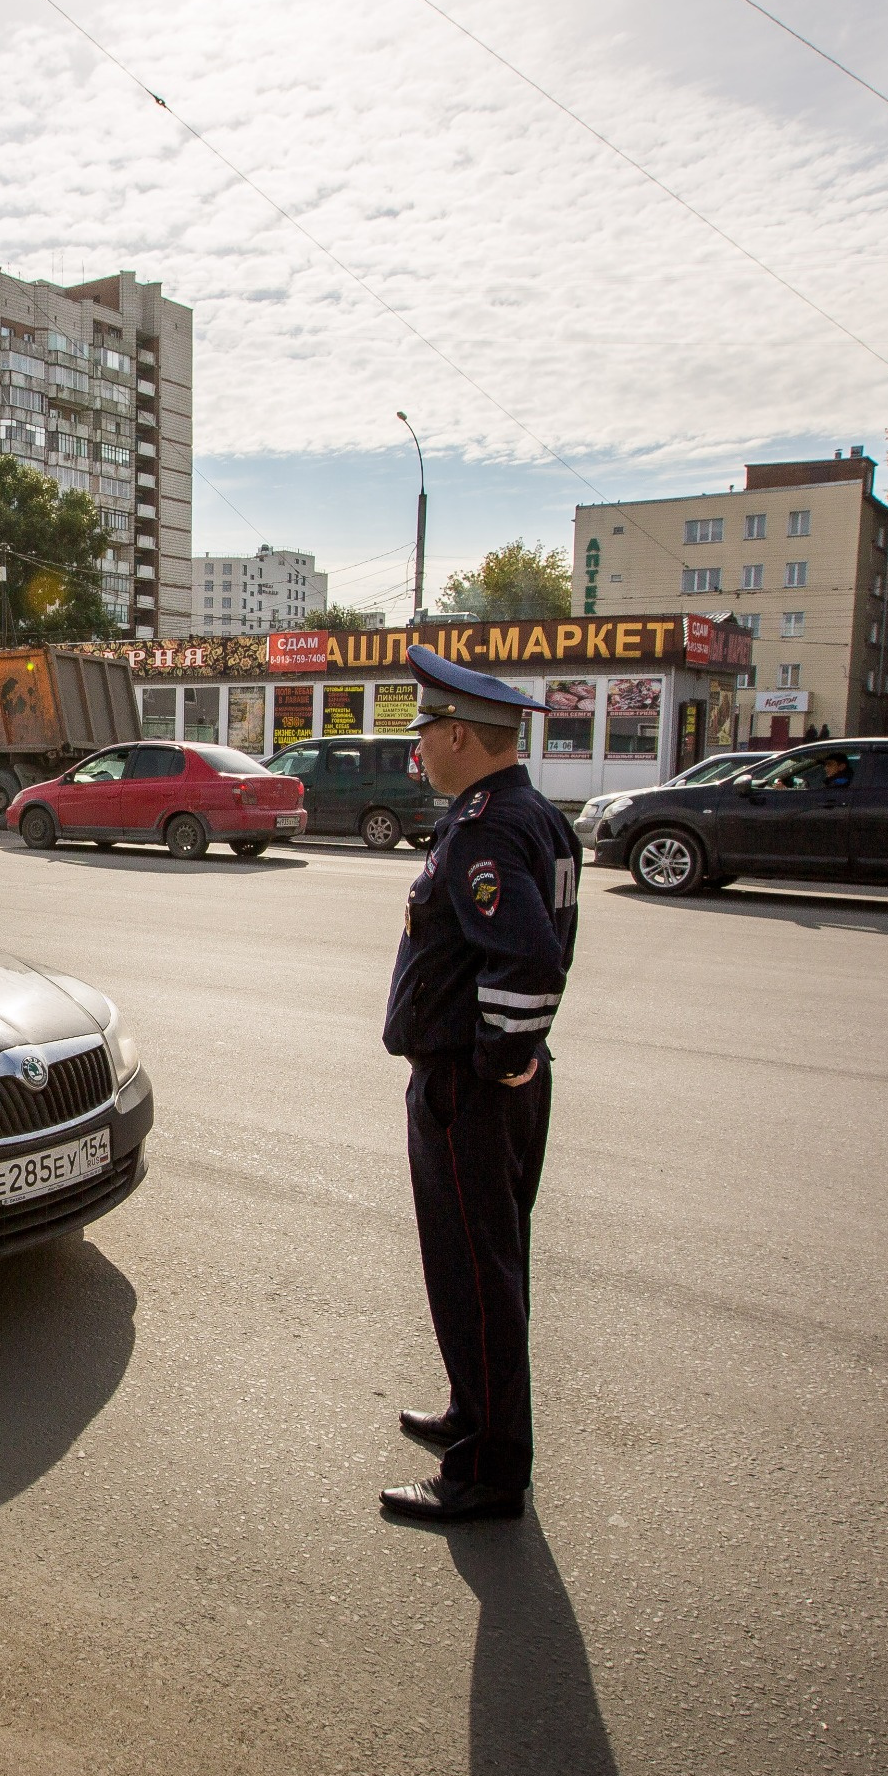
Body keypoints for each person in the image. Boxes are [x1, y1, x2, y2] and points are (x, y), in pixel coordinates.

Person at [379, 646, 581, 1524]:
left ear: (460, 733)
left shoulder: (486, 827)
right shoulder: (534, 812)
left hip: (471, 1084)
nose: (419, 747)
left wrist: (500, 1056)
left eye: (427, 730)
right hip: (493, 1081)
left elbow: (530, 956)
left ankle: (489, 1470)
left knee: (475, 1272)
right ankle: (475, 1409)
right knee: (487, 1265)